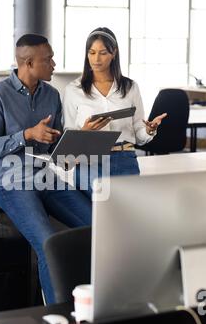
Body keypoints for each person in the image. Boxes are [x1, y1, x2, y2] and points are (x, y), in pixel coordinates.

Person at [0, 33, 92, 304]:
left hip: (48, 179)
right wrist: (28, 134)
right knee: (48, 243)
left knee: (98, 228)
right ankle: (56, 315)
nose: (54, 64)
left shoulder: (51, 95)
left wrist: (80, 138)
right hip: (12, 182)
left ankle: (94, 304)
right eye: (48, 59)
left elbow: (55, 149)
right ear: (28, 62)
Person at [63, 27, 167, 197]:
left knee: (128, 217)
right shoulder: (73, 90)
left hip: (124, 159)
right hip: (90, 163)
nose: (96, 59)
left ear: (114, 53)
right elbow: (68, 135)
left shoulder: (130, 87)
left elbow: (139, 134)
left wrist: (150, 129)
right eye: (92, 52)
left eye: (103, 53)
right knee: (93, 219)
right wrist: (85, 132)